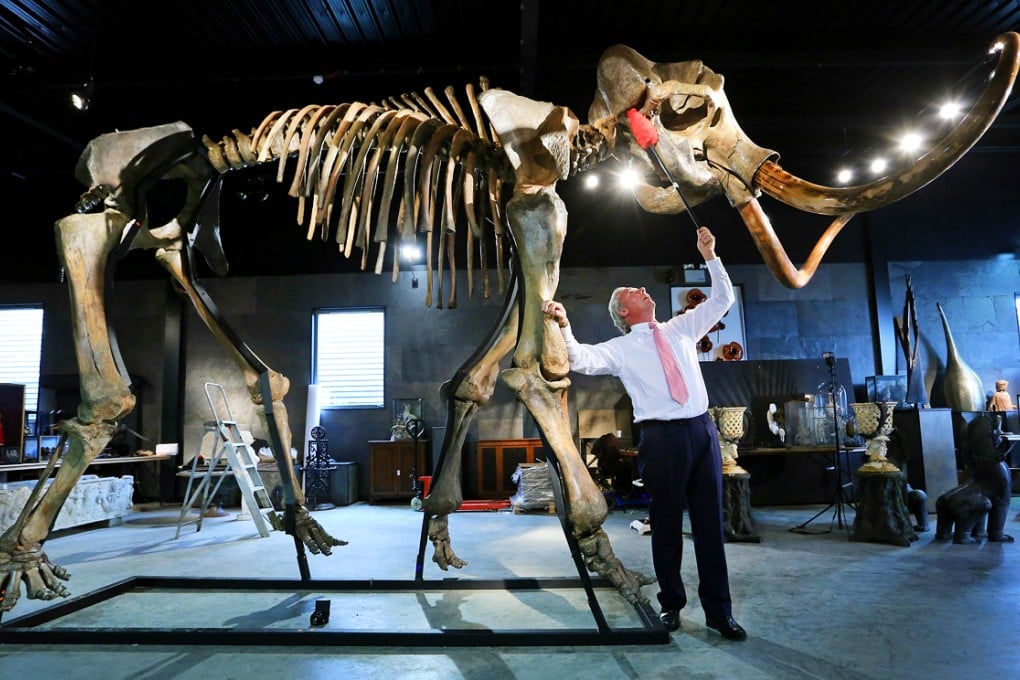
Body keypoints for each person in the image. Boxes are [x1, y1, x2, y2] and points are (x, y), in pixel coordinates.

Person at [542, 226, 746, 640]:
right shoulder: (620, 349)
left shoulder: (681, 328)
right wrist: (564, 323)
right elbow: (579, 358)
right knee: (666, 526)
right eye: (635, 290)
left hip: (702, 433)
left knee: (710, 526)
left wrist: (709, 255)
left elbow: (724, 299)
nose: (644, 290)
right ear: (625, 312)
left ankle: (719, 613)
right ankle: (671, 604)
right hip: (661, 439)